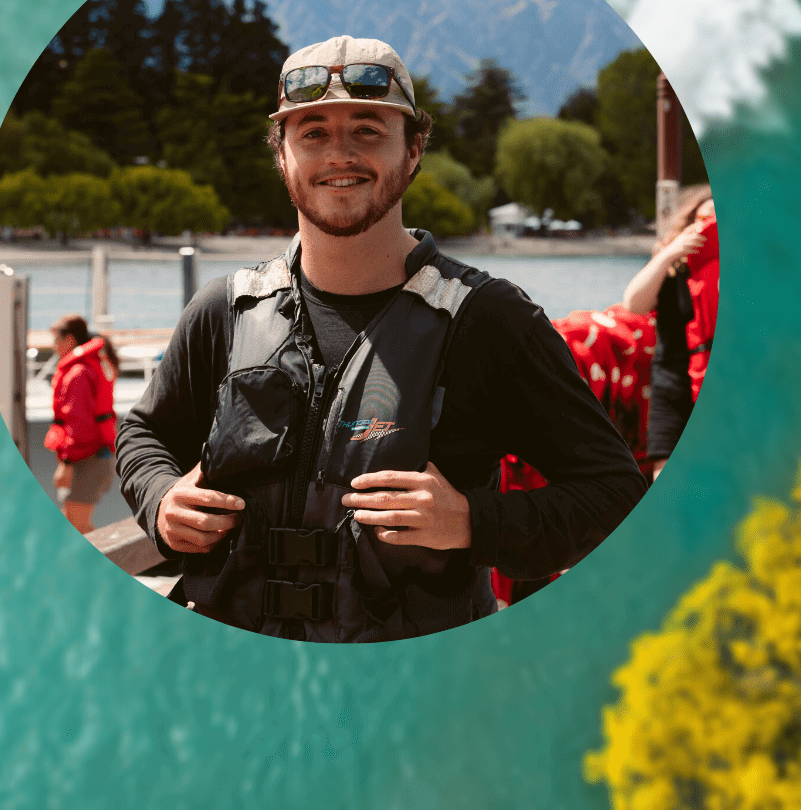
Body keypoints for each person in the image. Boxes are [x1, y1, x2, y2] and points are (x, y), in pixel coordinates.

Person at [116, 35, 648, 641]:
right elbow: (144, 431)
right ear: (281, 154)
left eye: (368, 130)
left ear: (414, 149)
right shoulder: (225, 310)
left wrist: (475, 521)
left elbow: (616, 495)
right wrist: (160, 499)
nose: (339, 155)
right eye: (312, 132)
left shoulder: (490, 320)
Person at [622, 185, 716, 479]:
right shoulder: (672, 267)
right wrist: (668, 255)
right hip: (673, 381)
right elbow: (634, 304)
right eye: (702, 220)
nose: (708, 227)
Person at [44, 314, 119, 534]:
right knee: (78, 527)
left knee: (75, 528)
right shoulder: (85, 369)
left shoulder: (78, 374)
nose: (53, 345)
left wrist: (65, 464)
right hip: (91, 457)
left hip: (86, 459)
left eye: (56, 339)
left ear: (71, 340)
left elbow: (80, 427)